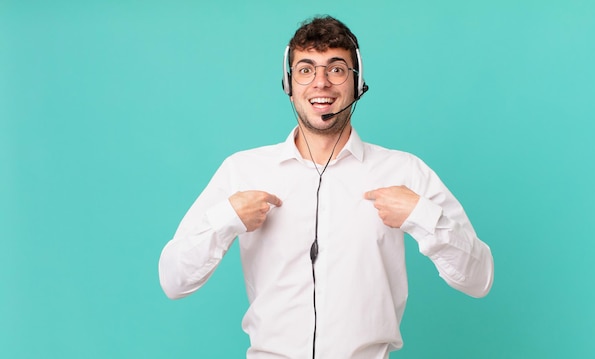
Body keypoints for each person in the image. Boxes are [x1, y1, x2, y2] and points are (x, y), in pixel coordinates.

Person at [159, 15, 494, 359]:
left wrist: (421, 216)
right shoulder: (242, 170)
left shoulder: (404, 171)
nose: (321, 83)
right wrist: (228, 217)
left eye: (336, 69)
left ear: (357, 82)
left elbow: (479, 278)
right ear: (289, 85)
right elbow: (174, 280)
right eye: (306, 70)